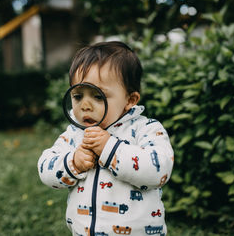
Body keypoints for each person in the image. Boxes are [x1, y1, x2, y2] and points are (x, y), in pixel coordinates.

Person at [38, 41, 174, 236]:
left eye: (98, 96)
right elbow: (45, 168)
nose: (85, 105)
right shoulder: (74, 133)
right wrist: (73, 162)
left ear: (130, 100)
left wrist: (110, 148)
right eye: (77, 96)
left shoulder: (146, 129)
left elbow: (160, 170)